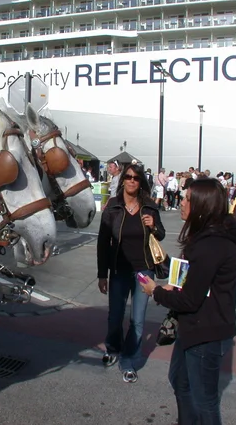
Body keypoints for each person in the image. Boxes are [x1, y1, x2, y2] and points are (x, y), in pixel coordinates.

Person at [141, 178, 236, 425]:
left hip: (206, 332)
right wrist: (170, 281)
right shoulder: (203, 238)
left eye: (187, 199)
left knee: (204, 400)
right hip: (193, 328)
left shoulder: (212, 244)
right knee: (180, 382)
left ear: (201, 206)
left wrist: (155, 291)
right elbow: (190, 280)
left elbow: (189, 299)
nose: (182, 203)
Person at [97, 163, 166, 384]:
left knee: (137, 320)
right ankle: (113, 347)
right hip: (118, 270)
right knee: (115, 316)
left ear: (141, 181)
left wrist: (154, 226)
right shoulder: (113, 207)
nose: (131, 180)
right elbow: (102, 242)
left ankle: (128, 361)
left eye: (136, 178)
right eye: (128, 176)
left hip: (143, 271)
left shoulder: (149, 207)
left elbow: (161, 234)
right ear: (122, 179)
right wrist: (102, 274)